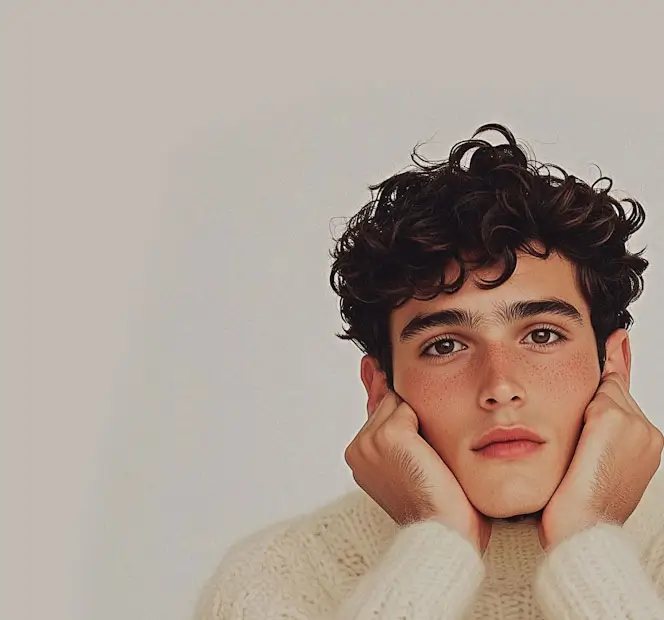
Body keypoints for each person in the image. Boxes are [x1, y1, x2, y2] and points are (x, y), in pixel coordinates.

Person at [192, 123, 664, 619]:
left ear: (614, 364)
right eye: (445, 346)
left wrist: (588, 538)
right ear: (380, 389)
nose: (500, 386)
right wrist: (435, 544)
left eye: (542, 336)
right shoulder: (272, 580)